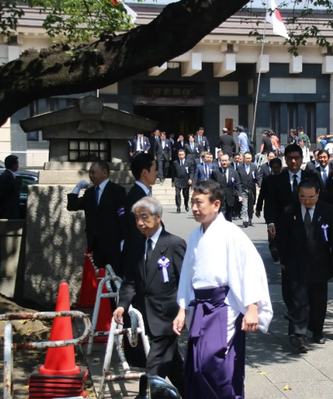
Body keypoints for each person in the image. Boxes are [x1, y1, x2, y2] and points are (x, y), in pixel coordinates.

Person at [173, 180, 273, 399]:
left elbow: (249, 269)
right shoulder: (194, 236)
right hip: (200, 306)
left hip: (223, 307)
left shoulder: (231, 233)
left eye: (199, 203)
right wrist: (182, 309)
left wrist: (252, 307)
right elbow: (187, 275)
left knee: (217, 365)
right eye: (192, 203)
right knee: (196, 366)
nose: (194, 208)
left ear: (216, 204)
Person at [114, 197, 186, 396]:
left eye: (144, 217)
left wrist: (183, 311)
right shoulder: (136, 245)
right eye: (137, 218)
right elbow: (130, 281)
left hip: (168, 318)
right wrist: (122, 305)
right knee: (174, 367)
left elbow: (185, 282)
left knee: (154, 368)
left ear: (158, 217)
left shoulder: (174, 244)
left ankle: (145, 395)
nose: (140, 223)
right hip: (148, 315)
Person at [277, 178, 333, 353]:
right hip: (295, 262)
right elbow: (282, 238)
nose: (306, 201)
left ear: (318, 194)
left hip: (320, 262)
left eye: (311, 197)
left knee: (318, 299)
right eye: (303, 197)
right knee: (298, 298)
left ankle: (317, 330)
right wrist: (283, 260)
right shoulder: (289, 210)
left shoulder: (327, 210)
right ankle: (297, 335)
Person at [264, 144, 321, 314]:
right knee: (288, 272)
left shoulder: (312, 177)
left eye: (297, 157)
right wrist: (271, 223)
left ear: (302, 159)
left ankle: (307, 307)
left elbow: (322, 201)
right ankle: (292, 308)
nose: (294, 161)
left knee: (310, 271)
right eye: (290, 158)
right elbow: (270, 204)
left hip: (309, 231)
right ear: (285, 160)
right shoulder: (276, 180)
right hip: (285, 234)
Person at [67, 161, 126, 275]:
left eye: (93, 172)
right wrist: (77, 188)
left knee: (115, 279)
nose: (91, 176)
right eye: (89, 173)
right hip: (96, 246)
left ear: (104, 172)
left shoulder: (117, 191)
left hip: (113, 245)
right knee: (100, 280)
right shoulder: (90, 193)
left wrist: (123, 240)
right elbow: (72, 206)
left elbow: (122, 217)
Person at [121, 153, 157, 272]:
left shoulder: (142, 193)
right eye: (154, 169)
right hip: (138, 258)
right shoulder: (137, 197)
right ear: (145, 173)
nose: (156, 173)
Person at [256, 158, 284, 262]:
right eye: (274, 168)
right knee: (272, 230)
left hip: (283, 210)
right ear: (271, 168)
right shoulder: (267, 180)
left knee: (281, 230)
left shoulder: (284, 178)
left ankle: (280, 248)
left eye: (278, 167)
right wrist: (258, 208)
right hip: (270, 209)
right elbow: (262, 195)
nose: (276, 170)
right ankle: (273, 248)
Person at [210, 153, 242, 221]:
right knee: (220, 216)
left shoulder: (234, 172)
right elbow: (212, 184)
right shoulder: (215, 172)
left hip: (230, 198)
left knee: (229, 217)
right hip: (220, 197)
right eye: (222, 161)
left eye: (225, 161)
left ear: (229, 161)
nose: (224, 162)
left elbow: (238, 184)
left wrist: (240, 194)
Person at [237, 152, 259, 228]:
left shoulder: (254, 167)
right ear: (244, 159)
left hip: (251, 189)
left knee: (250, 205)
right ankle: (245, 220)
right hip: (243, 188)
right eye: (247, 158)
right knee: (244, 205)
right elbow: (238, 179)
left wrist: (259, 183)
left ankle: (250, 219)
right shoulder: (240, 167)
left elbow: (257, 177)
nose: (248, 160)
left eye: (249, 158)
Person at [0, 155, 20, 219]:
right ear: (13, 165)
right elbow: (3, 192)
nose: (18, 165)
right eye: (17, 163)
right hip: (8, 210)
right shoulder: (7, 176)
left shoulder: (10, 175)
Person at [171, 149, 192, 213]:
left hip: (186, 180)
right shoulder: (175, 162)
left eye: (182, 154)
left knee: (186, 195)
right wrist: (173, 181)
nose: (181, 156)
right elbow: (173, 172)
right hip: (177, 180)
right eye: (179, 155)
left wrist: (191, 178)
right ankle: (178, 207)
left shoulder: (188, 162)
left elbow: (191, 171)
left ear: (184, 155)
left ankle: (186, 205)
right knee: (177, 194)